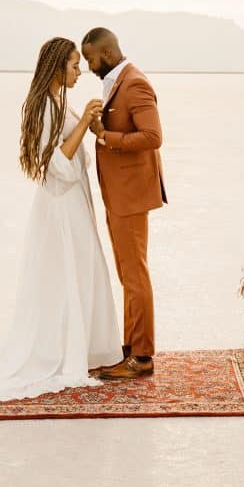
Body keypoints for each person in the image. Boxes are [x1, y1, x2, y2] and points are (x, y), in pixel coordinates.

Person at [0, 37, 122, 407]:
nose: (78, 72)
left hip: (74, 202)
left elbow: (72, 154)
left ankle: (79, 347)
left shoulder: (59, 102)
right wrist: (84, 121)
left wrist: (92, 126)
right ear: (58, 68)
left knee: (81, 271)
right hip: (60, 206)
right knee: (63, 276)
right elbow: (55, 163)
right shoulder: (44, 107)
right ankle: (56, 353)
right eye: (74, 66)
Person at [81, 27, 168, 380]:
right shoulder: (117, 81)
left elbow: (153, 137)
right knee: (127, 274)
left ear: (107, 53)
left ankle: (142, 357)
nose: (88, 66)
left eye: (90, 59)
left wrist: (105, 136)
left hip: (131, 195)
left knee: (135, 275)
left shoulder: (134, 83)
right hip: (119, 193)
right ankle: (131, 347)